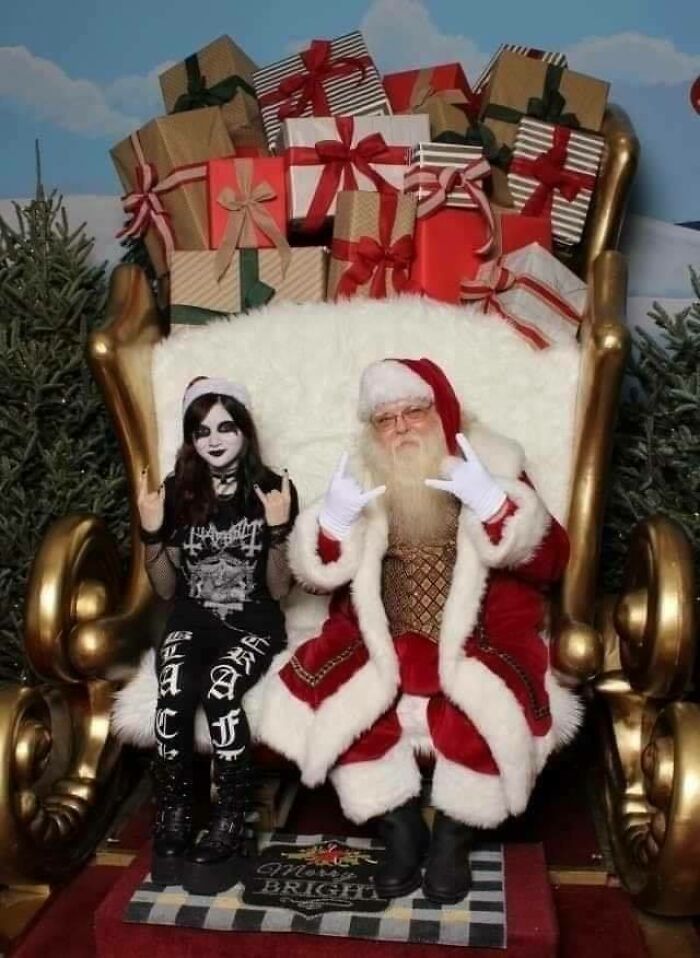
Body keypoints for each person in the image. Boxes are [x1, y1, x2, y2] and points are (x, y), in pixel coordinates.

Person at [258, 357, 579, 904]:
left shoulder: (492, 464)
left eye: (414, 411)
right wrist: (331, 525)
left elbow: (552, 562)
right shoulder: (361, 477)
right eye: (386, 418)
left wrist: (497, 504)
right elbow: (314, 577)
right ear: (372, 430)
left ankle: (454, 833)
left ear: (442, 411)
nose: (402, 426)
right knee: (343, 704)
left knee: (481, 712)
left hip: (479, 638)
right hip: (378, 637)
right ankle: (399, 826)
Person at [136, 376, 298, 895]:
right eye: (201, 429)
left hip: (252, 620)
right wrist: (152, 531)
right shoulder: (178, 492)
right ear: (191, 438)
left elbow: (277, 591)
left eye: (226, 426)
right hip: (192, 618)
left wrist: (276, 529)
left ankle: (231, 817)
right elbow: (164, 590)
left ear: (244, 430)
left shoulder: (272, 489)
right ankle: (176, 812)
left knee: (221, 689)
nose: (214, 438)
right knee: (175, 690)